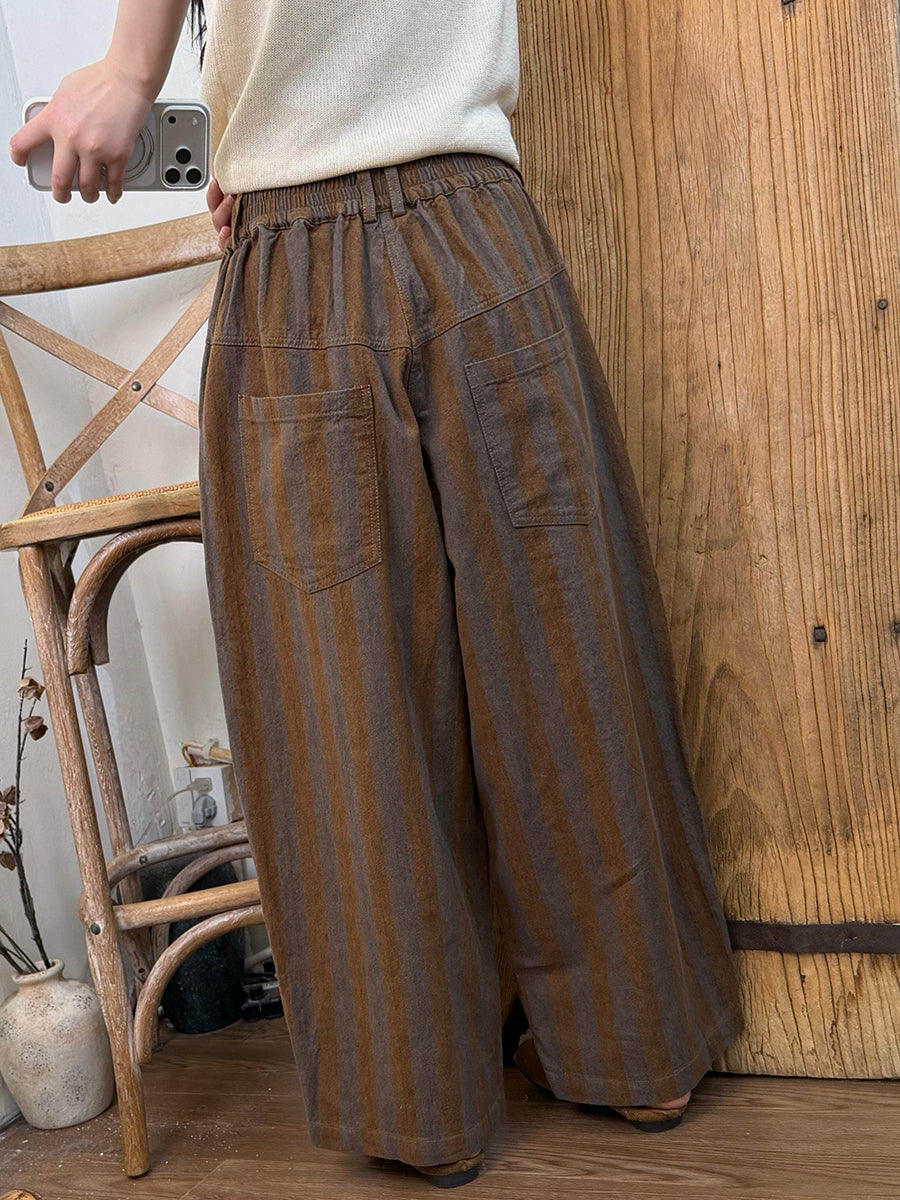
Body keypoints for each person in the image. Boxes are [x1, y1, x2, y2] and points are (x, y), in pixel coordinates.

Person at [9, 0, 744, 1188]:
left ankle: (419, 1098)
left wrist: (134, 69)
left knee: (344, 696)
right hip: (474, 222)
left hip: (300, 255)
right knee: (563, 646)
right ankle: (637, 1046)